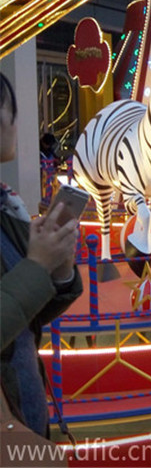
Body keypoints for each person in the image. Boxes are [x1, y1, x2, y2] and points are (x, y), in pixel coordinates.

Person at [0, 72, 83, 439]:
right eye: (11, 108)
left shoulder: (7, 208)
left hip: (24, 406)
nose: (16, 122)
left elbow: (22, 317)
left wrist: (59, 270)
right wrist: (36, 267)